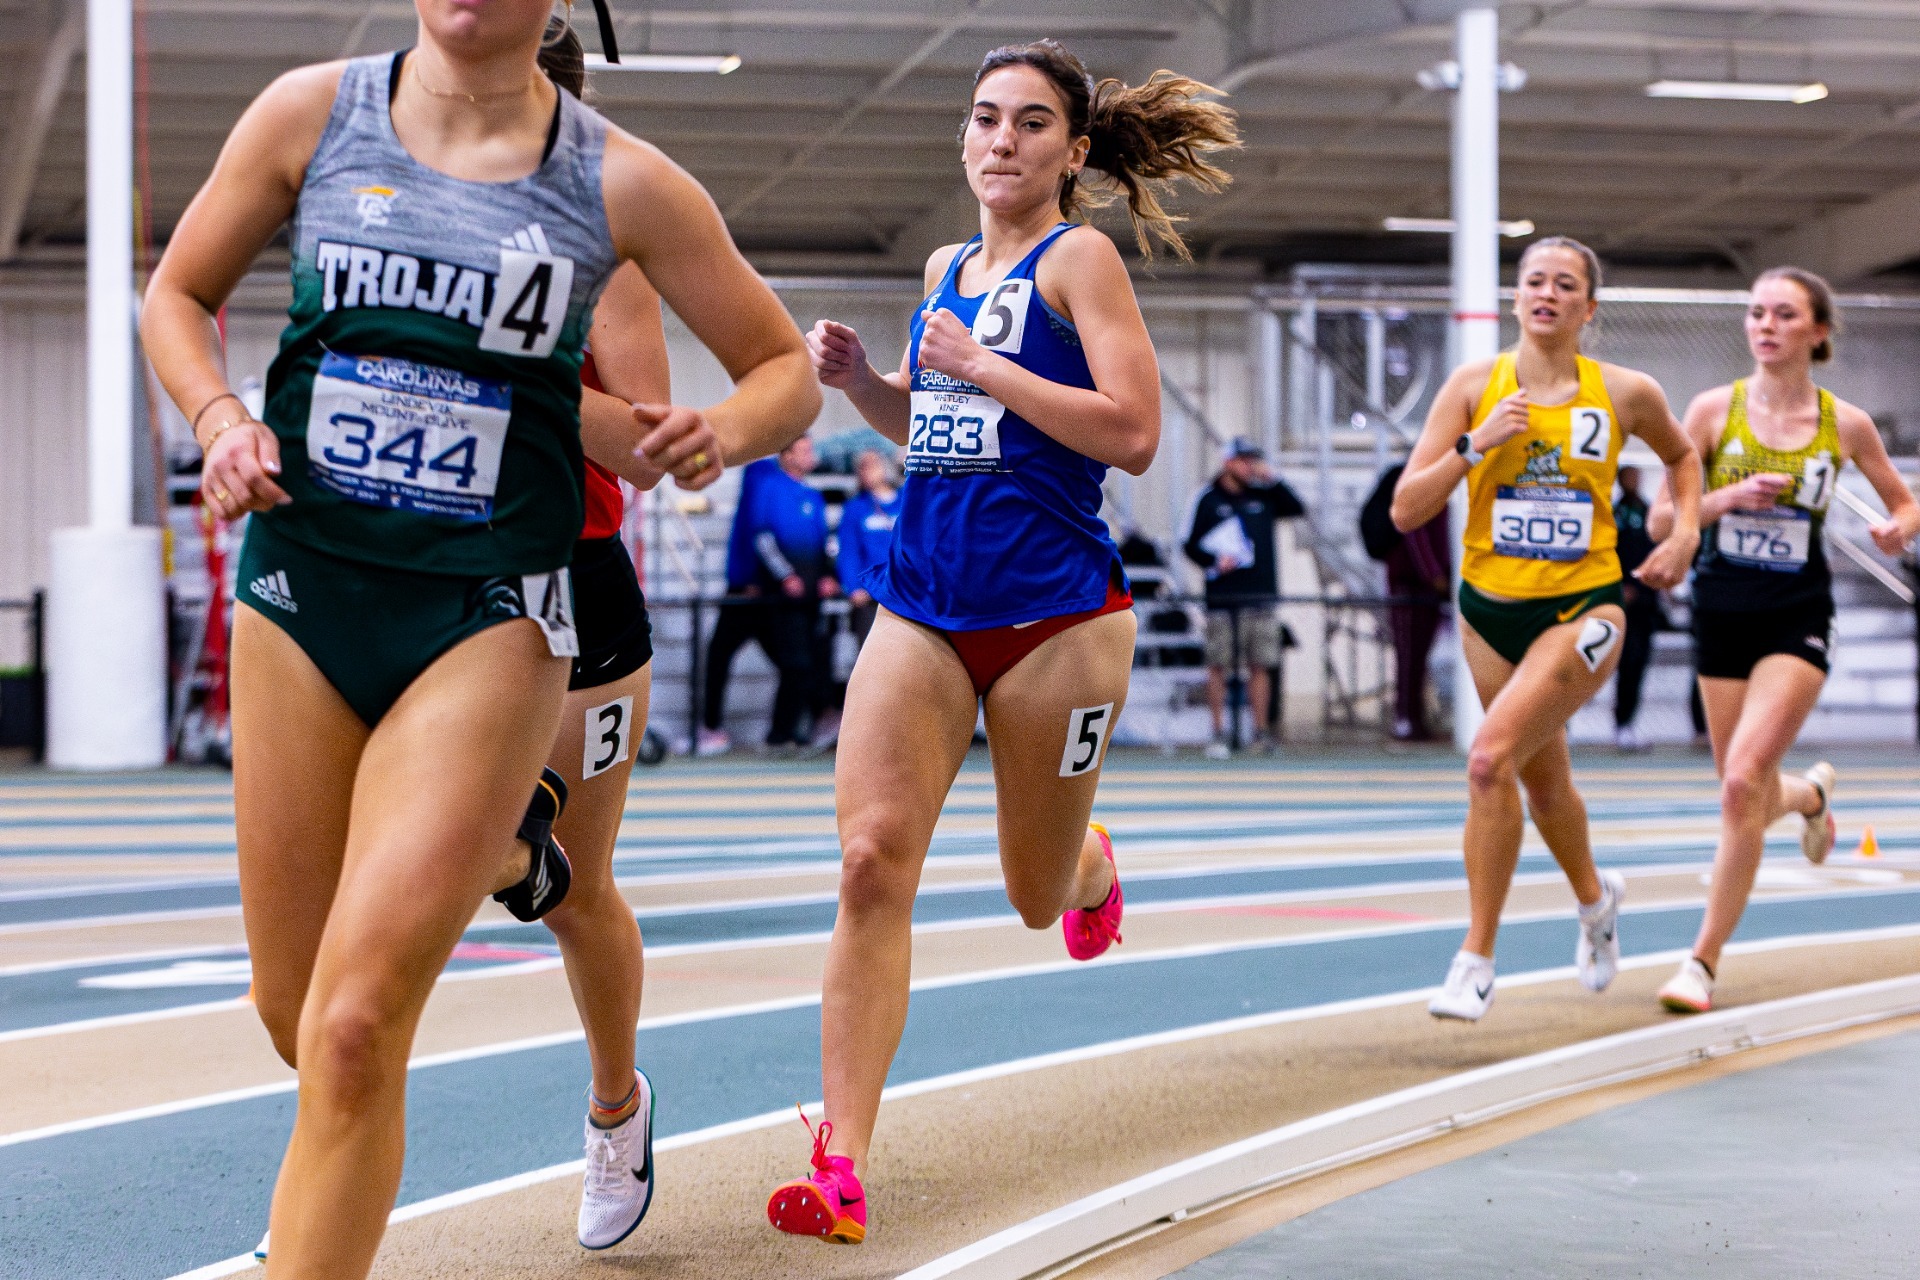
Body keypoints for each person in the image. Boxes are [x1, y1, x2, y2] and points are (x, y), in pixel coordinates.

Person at [139, 3, 820, 1275]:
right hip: (305, 598)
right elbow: (178, 292)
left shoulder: (619, 181)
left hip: (494, 616)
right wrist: (222, 415)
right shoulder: (309, 114)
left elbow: (783, 364)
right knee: (301, 1019)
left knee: (353, 1028)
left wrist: (716, 431)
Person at [770, 39, 1237, 1245]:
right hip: (919, 605)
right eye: (985, 119)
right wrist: (869, 383)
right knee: (872, 860)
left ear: (1073, 151)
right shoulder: (942, 264)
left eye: (1031, 124)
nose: (1000, 141)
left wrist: (982, 360)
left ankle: (1086, 860)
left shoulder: (1081, 258)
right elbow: (942, 424)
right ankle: (840, 1161)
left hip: (1057, 625)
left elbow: (1130, 433)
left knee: (1036, 895)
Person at [1390, 235, 1701, 1023]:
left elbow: (1684, 456)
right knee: (1543, 781)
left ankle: (1476, 959)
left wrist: (1686, 530)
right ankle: (1597, 903)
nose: (1547, 294)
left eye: (1566, 285)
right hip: (1490, 609)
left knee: (1489, 760)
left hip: (1584, 606)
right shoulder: (1473, 387)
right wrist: (1474, 445)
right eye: (1534, 280)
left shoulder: (1625, 392)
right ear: (1516, 296)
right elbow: (1406, 508)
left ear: (1587, 307)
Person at [1650, 267, 1920, 1015]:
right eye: (1756, 313)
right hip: (1720, 611)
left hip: (1795, 612)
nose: (1766, 325)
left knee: (1741, 785)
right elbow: (1658, 523)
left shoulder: (1845, 424)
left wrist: (1899, 528)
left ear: (1818, 331)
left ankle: (1700, 963)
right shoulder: (1712, 412)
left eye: (1784, 314)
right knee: (1746, 791)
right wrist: (1725, 498)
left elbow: (1906, 504)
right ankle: (1809, 796)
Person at [702, 436, 839, 750]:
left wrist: (828, 575)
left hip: (776, 597)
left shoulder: (810, 496)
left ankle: (792, 728)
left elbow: (823, 544)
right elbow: (760, 535)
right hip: (752, 591)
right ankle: (710, 726)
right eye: (803, 449)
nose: (811, 455)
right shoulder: (762, 477)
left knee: (798, 663)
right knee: (720, 653)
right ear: (787, 454)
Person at [1182, 438, 1305, 756]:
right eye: (1244, 460)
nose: (1250, 466)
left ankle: (1260, 732)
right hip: (1223, 597)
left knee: (1261, 664)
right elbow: (1189, 543)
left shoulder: (1263, 496)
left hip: (1260, 594)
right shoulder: (1208, 499)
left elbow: (1296, 507)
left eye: (1253, 460)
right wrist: (1213, 563)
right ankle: (1218, 731)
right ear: (1228, 463)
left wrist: (1273, 479)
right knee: (1218, 665)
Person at [1377, 465, 1450, 743]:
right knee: (1409, 655)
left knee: (1420, 655)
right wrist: (1434, 575)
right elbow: (1414, 535)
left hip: (1428, 586)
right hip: (1411, 586)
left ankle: (1415, 716)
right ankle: (1405, 718)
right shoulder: (1418, 487)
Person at [1610, 464, 1662, 751]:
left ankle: (1625, 723)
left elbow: (1656, 551)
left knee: (1635, 662)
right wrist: (1618, 586)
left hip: (1644, 603)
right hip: (1612, 600)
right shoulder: (1611, 514)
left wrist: (1645, 587)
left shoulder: (1649, 513)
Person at [837, 447, 903, 646]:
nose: (864, 471)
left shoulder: (906, 501)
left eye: (870, 465)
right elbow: (848, 551)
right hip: (870, 594)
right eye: (861, 467)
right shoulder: (855, 508)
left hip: (904, 593)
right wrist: (854, 587)